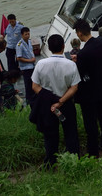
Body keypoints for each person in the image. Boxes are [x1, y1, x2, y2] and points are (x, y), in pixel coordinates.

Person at [29, 34, 80, 168]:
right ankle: (73, 160)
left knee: (50, 134)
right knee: (70, 132)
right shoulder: (71, 65)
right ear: (63, 47)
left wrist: (51, 99)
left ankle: (50, 162)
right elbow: (74, 87)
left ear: (50, 48)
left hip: (47, 104)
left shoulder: (40, 64)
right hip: (66, 102)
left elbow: (35, 86)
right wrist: (61, 101)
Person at [74, 19, 102, 157]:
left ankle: (93, 151)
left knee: (90, 122)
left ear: (79, 33)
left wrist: (76, 61)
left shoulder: (83, 54)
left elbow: (80, 73)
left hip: (89, 92)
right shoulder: (101, 43)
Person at [15, 27, 37, 106]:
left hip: (32, 66)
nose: (27, 36)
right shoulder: (19, 45)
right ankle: (29, 101)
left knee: (33, 83)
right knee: (28, 85)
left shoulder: (29, 42)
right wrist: (30, 60)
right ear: (22, 35)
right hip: (26, 67)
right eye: (26, 34)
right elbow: (19, 58)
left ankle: (34, 98)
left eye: (28, 34)